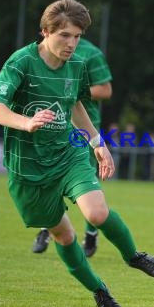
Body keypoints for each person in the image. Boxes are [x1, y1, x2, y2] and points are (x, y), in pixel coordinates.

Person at [0, 0, 154, 307]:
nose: (72, 44)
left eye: (77, 36)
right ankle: (99, 290)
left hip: (67, 153)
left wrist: (98, 143)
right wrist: (25, 122)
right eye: (64, 36)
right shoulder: (21, 63)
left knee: (96, 213)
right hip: (27, 169)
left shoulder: (77, 66)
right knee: (64, 235)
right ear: (45, 31)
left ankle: (133, 255)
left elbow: (75, 105)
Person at [32, 37, 113, 257]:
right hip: (52, 125)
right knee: (48, 176)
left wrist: (70, 89)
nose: (69, 40)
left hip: (83, 128)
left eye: (74, 34)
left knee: (87, 181)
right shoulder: (38, 54)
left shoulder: (90, 53)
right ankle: (46, 227)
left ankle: (91, 233)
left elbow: (105, 90)